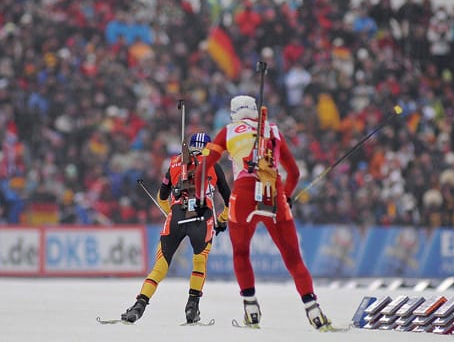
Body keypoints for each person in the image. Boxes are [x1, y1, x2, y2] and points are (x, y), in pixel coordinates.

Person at [194, 95, 332, 330]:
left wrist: (199, 199)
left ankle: (251, 309)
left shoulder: (228, 131)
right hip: (273, 193)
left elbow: (204, 168)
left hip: (243, 196)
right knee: (293, 258)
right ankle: (314, 310)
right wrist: (286, 195)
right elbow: (295, 173)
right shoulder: (273, 130)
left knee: (240, 252)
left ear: (233, 112)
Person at [121, 132, 231, 324]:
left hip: (176, 216)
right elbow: (230, 201)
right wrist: (221, 220)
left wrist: (170, 213)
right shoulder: (214, 165)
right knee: (199, 263)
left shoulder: (174, 164)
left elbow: (162, 196)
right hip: (202, 218)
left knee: (159, 268)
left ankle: (139, 305)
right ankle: (192, 307)